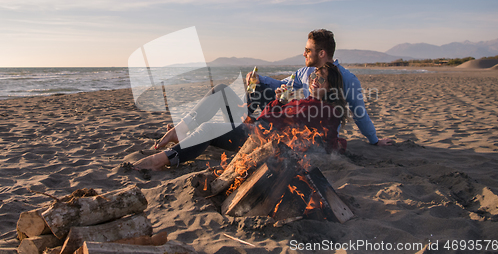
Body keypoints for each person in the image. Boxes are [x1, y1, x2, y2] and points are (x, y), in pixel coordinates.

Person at [132, 63, 349, 171]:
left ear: (332, 88)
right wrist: (279, 101)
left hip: (261, 140)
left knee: (210, 128)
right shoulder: (307, 101)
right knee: (221, 91)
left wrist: (279, 104)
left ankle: (162, 159)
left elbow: (275, 121)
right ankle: (179, 132)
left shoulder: (323, 109)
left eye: (321, 79)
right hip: (259, 128)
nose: (314, 81)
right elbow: (275, 116)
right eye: (314, 76)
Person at [246, 29, 393, 146]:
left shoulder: (348, 79)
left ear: (322, 53)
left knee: (259, 123)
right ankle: (245, 120)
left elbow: (359, 114)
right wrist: (259, 79)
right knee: (261, 89)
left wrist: (374, 140)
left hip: (317, 131)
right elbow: (282, 84)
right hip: (300, 118)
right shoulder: (306, 72)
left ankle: (248, 129)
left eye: (308, 50)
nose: (304, 54)